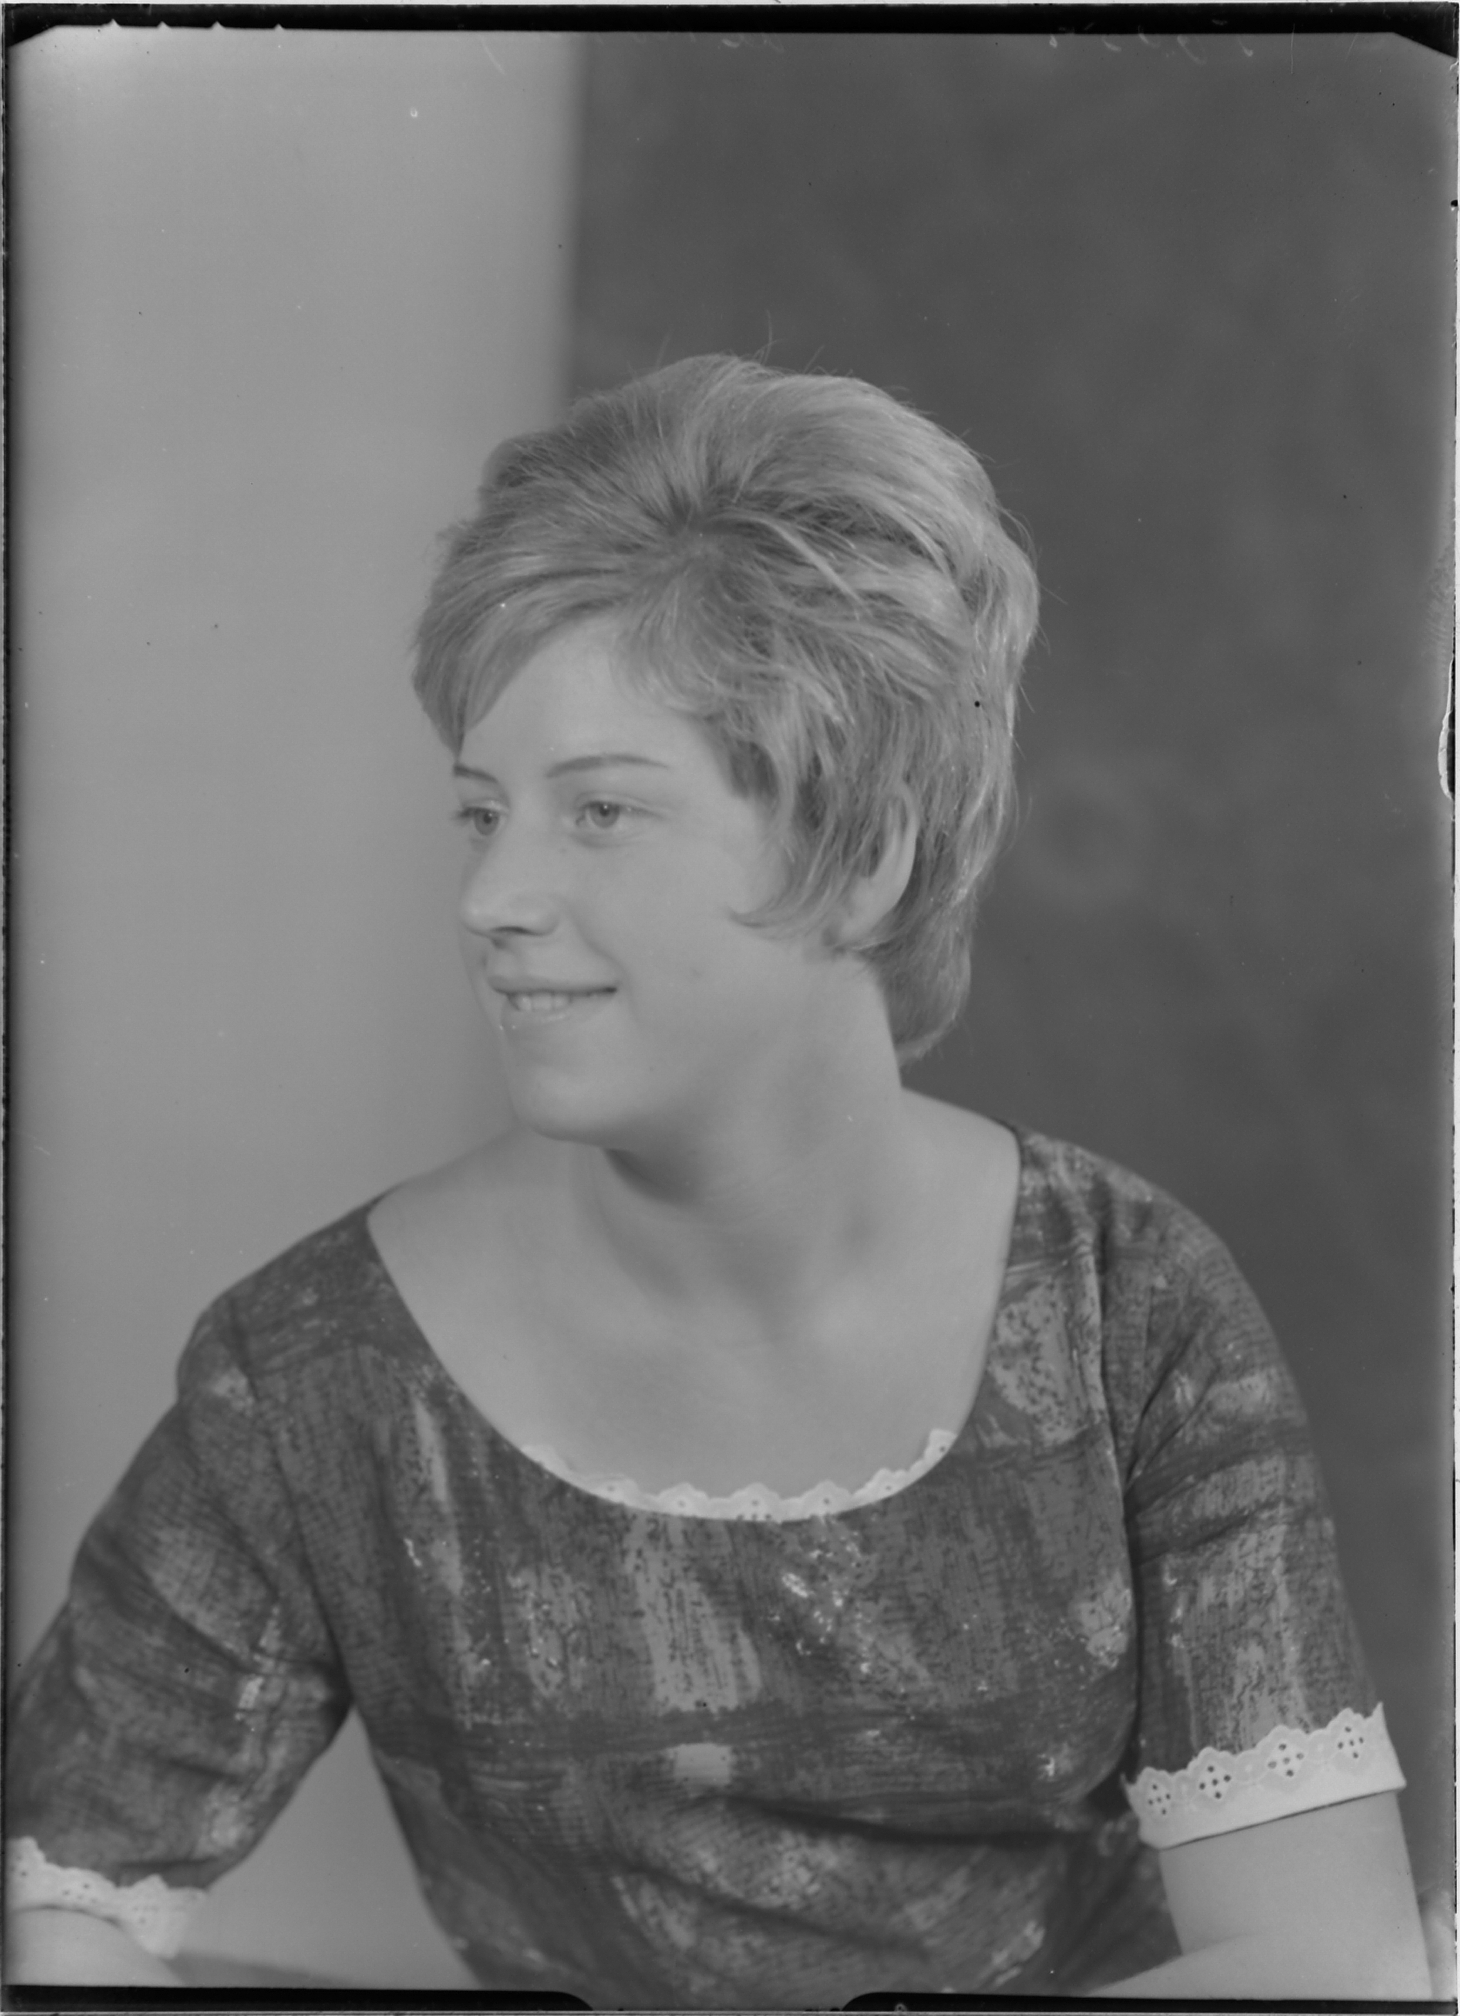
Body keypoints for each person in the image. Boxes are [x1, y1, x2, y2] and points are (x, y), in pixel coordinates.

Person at [6, 356, 1433, 2001]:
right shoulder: (311, 1373)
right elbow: (48, 1916)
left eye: (602, 812)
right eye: (481, 813)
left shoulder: (1131, 1309)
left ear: (866, 855)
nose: (492, 898)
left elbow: (1328, 1969)